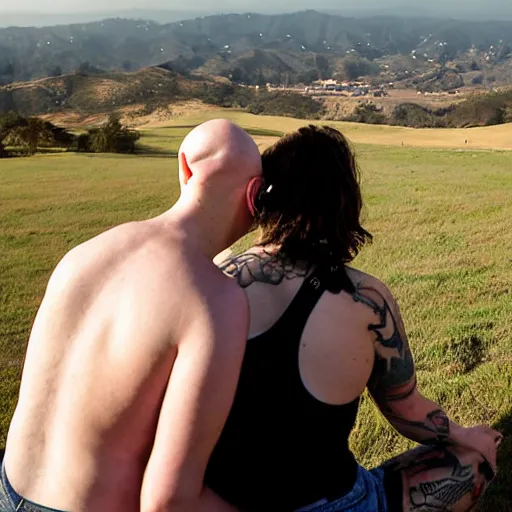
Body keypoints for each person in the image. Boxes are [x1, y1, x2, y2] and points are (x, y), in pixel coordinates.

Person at [205, 125, 502, 512]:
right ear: (344, 202)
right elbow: (407, 410)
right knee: (468, 465)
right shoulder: (367, 300)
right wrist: (468, 436)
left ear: (263, 197)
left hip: (219, 501)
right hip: (335, 502)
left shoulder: (214, 275)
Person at [1, 119, 262, 512]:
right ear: (255, 195)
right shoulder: (214, 298)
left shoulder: (84, 254)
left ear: (184, 168)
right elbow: (170, 501)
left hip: (8, 486)